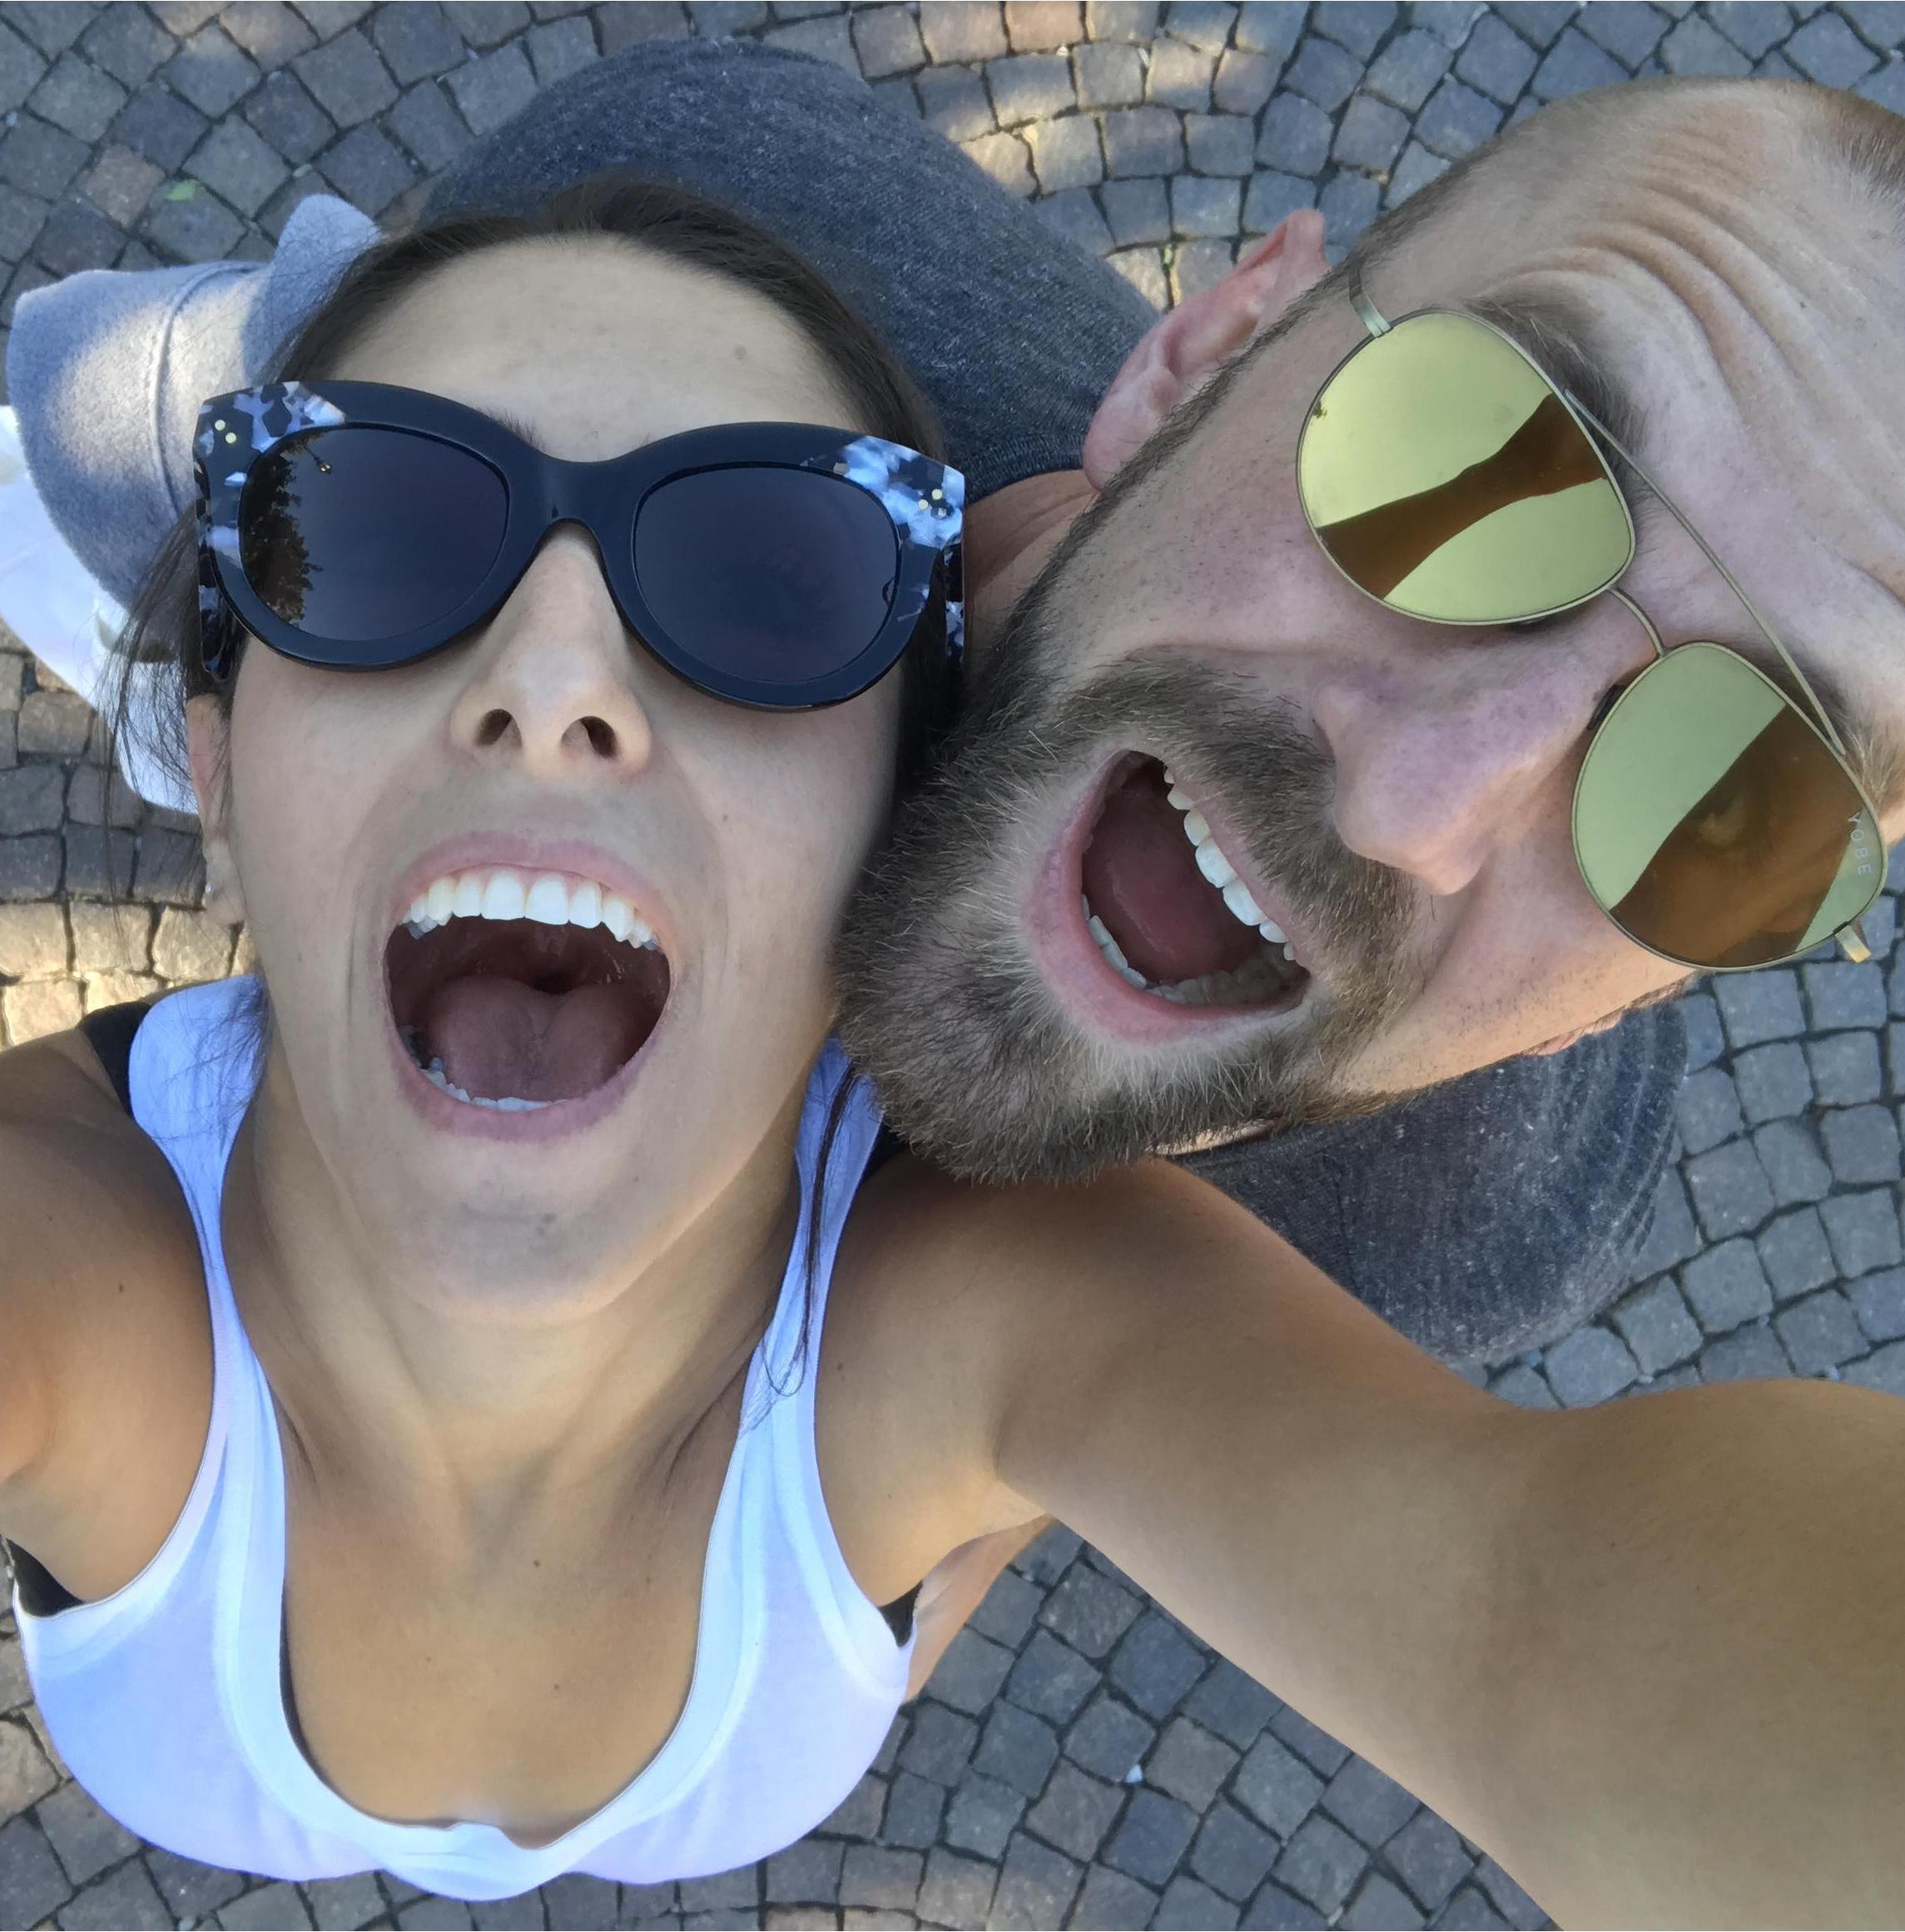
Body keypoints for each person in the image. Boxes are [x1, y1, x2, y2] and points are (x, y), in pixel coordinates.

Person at [7, 167, 1905, 1932]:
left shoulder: (1014, 1307)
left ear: (876, 840)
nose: (556, 679)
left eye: (770, 583)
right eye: (376, 526)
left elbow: (1529, 1609)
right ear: (218, 771)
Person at [6, 38, 1695, 1367]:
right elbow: (171, 404)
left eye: (1720, 801)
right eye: (1464, 486)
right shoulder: (706, 187)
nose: (1422, 795)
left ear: (1606, 1000)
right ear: (1215, 351)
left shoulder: (1462, 1237)